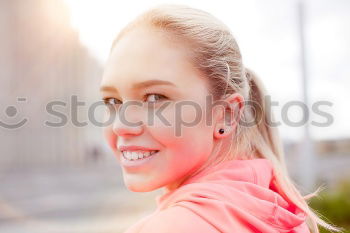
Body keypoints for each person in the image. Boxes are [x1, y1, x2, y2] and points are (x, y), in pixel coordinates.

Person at [100, 4, 338, 233]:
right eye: (113, 101)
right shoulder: (272, 209)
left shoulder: (173, 226)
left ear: (225, 114)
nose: (121, 125)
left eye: (154, 97)